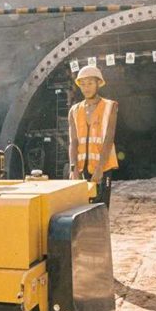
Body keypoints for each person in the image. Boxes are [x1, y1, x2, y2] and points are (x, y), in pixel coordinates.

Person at [68, 65, 119, 207]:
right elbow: (73, 142)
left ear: (98, 83)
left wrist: (99, 169)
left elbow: (109, 139)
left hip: (102, 168)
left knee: (101, 209)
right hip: (80, 169)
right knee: (81, 209)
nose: (86, 88)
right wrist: (73, 169)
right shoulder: (74, 110)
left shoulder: (110, 106)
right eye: (83, 84)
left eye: (90, 83)